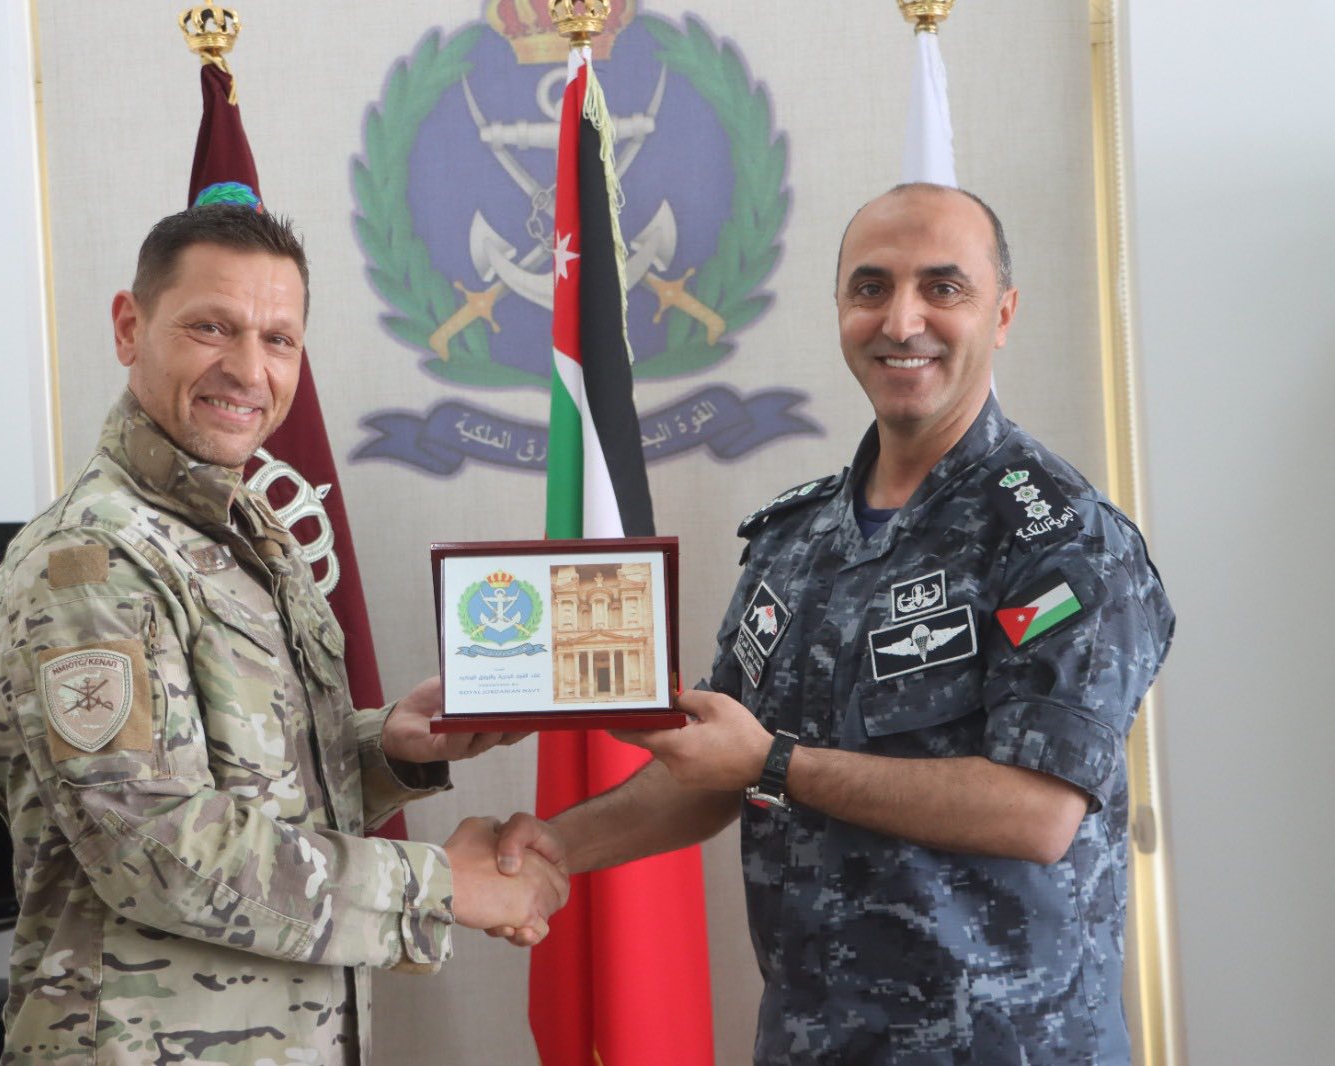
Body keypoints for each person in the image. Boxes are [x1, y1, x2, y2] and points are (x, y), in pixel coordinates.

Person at [496, 183, 1175, 1063]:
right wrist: (556, 847)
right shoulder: (796, 537)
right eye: (871, 288)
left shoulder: (1062, 539)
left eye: (943, 288)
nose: (901, 321)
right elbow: (716, 765)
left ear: (1002, 314)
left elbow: (1038, 810)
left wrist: (775, 763)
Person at [0, 204, 567, 1065]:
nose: (248, 370)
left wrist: (387, 748)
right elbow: (155, 848)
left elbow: (242, 785)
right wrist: (440, 886)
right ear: (130, 328)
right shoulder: (91, 563)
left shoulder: (245, 532)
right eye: (211, 327)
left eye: (278, 340)